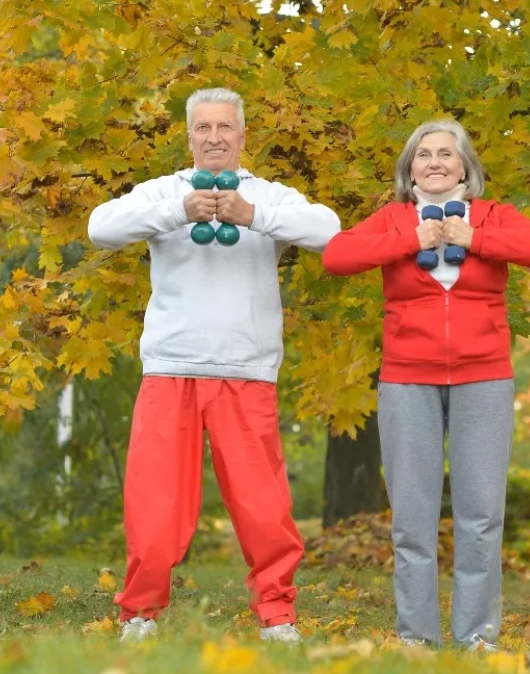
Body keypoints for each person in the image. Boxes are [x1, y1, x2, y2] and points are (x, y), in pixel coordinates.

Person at [87, 87, 341, 644]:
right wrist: (177, 211)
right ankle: (140, 614)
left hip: (246, 369)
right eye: (203, 127)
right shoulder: (165, 191)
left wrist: (254, 216)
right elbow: (100, 227)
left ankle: (277, 615)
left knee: (262, 507)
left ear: (243, 135)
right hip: (170, 367)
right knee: (155, 505)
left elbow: (330, 231)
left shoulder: (268, 195)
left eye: (225, 126)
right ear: (189, 137)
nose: (215, 137)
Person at [322, 120, 530, 651]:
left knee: (481, 516)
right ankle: (417, 639)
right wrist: (409, 241)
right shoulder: (393, 219)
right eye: (424, 154)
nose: (435, 162)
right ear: (409, 170)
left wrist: (474, 238)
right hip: (408, 378)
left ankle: (477, 637)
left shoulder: (492, 215)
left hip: (484, 377)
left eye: (446, 154)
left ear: (464, 167)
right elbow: (337, 256)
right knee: (412, 520)